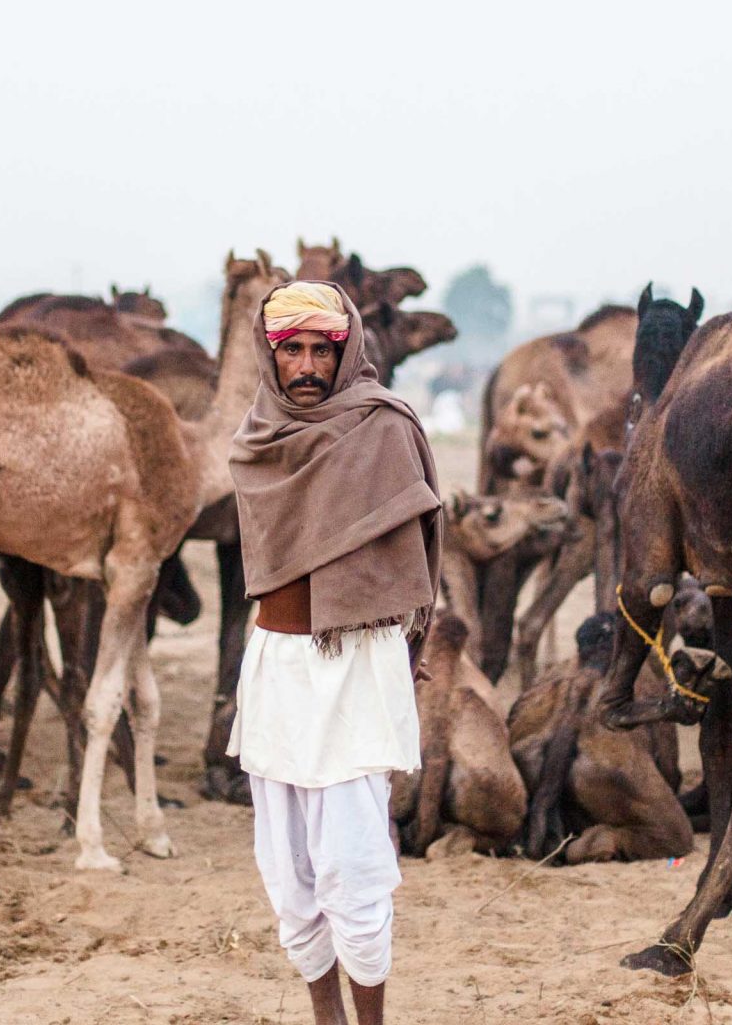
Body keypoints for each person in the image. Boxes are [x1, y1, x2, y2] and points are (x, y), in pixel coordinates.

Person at [228, 280, 442, 1025]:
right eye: (296, 351)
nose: (310, 364)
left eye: (325, 348)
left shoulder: (384, 427)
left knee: (354, 872)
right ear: (273, 355)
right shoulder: (258, 437)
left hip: (357, 665)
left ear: (347, 349)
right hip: (278, 665)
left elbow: (417, 552)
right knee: (288, 880)